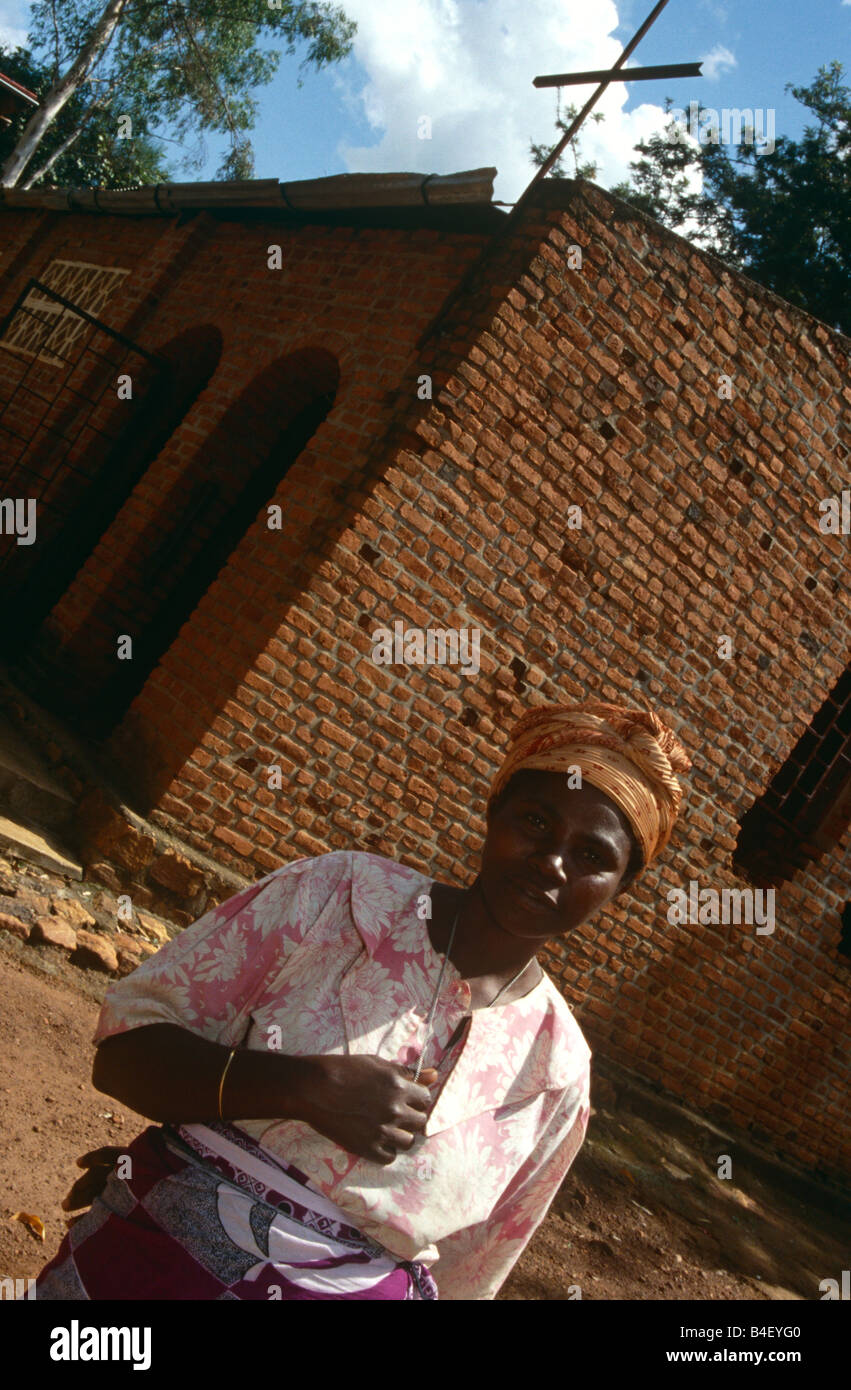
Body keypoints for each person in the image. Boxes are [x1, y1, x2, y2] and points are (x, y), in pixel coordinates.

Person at [35, 700, 690, 1300]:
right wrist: (298, 1085)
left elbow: (469, 1279)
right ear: (493, 814)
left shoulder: (556, 1071)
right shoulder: (339, 896)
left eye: (591, 855)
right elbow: (124, 1049)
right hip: (144, 1268)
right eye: (536, 821)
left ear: (618, 887)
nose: (551, 863)